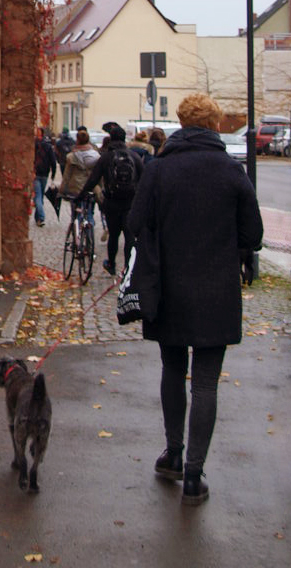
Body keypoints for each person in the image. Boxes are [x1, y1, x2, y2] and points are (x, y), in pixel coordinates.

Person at [127, 92, 263, 506]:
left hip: (168, 288)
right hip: (216, 291)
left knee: (172, 369)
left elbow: (135, 225)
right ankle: (193, 474)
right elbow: (252, 235)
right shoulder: (230, 170)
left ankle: (172, 453)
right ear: (216, 125)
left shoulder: (159, 169)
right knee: (205, 383)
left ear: (182, 125)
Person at [76, 121, 142, 275]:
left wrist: (81, 195)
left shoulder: (106, 157)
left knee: (114, 235)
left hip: (112, 202)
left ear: (111, 138)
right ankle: (128, 268)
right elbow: (144, 178)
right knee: (129, 236)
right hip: (130, 203)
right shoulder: (134, 156)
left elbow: (93, 180)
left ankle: (111, 264)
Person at [56, 127, 100, 221]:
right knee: (89, 212)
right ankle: (90, 225)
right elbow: (99, 175)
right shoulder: (96, 156)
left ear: (77, 140)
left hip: (75, 189)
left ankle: (76, 227)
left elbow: (67, 176)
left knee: (75, 212)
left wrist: (62, 191)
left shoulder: (71, 157)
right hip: (91, 187)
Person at [33, 127, 57, 227]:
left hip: (35, 173)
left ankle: (39, 217)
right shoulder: (48, 146)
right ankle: (40, 218)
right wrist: (53, 174)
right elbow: (53, 161)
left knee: (38, 196)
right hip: (44, 174)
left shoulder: (33, 145)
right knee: (40, 195)